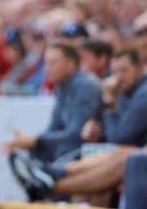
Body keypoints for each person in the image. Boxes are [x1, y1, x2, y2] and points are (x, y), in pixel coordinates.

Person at [10, 49, 147, 200]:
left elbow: (121, 137)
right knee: (112, 153)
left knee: (124, 156)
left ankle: (47, 183)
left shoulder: (141, 92)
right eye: (114, 71)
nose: (117, 77)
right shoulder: (123, 90)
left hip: (129, 153)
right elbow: (115, 134)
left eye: (124, 71)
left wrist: (108, 101)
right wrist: (97, 131)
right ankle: (48, 176)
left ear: (140, 68)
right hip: (121, 151)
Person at [3, 43, 102, 167]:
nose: (46, 69)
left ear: (70, 64)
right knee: (35, 149)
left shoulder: (86, 86)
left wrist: (35, 140)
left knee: (50, 147)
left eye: (53, 63)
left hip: (89, 149)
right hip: (71, 146)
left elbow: (77, 134)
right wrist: (30, 141)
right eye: (46, 63)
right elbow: (54, 127)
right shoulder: (62, 85)